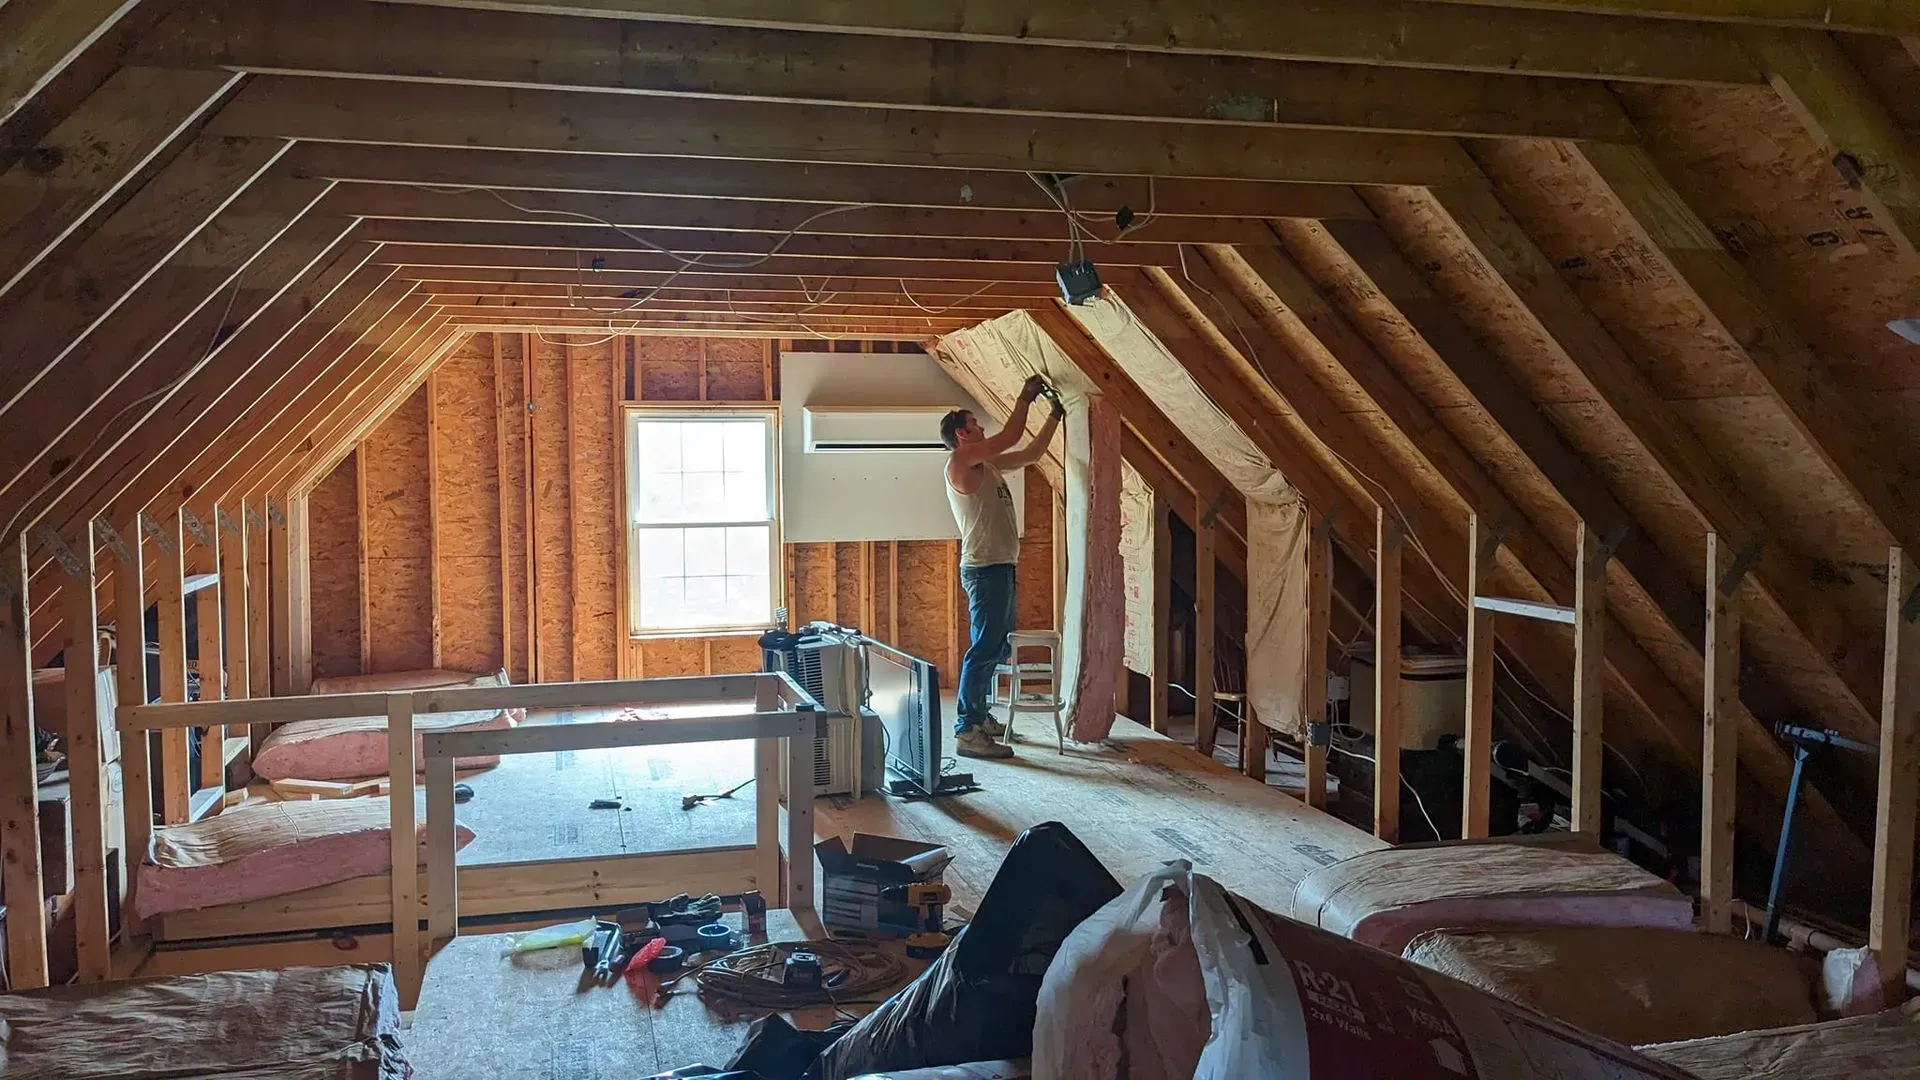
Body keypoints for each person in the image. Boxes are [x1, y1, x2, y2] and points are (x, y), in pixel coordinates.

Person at [939, 375, 1064, 759]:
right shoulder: (960, 461)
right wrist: (1025, 397)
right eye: (975, 425)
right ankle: (967, 730)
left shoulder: (987, 466)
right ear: (962, 434)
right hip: (984, 569)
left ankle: (979, 715)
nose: (982, 429)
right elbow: (1011, 436)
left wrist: (1055, 417)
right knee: (984, 647)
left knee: (996, 648)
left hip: (1001, 567)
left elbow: (1027, 454)